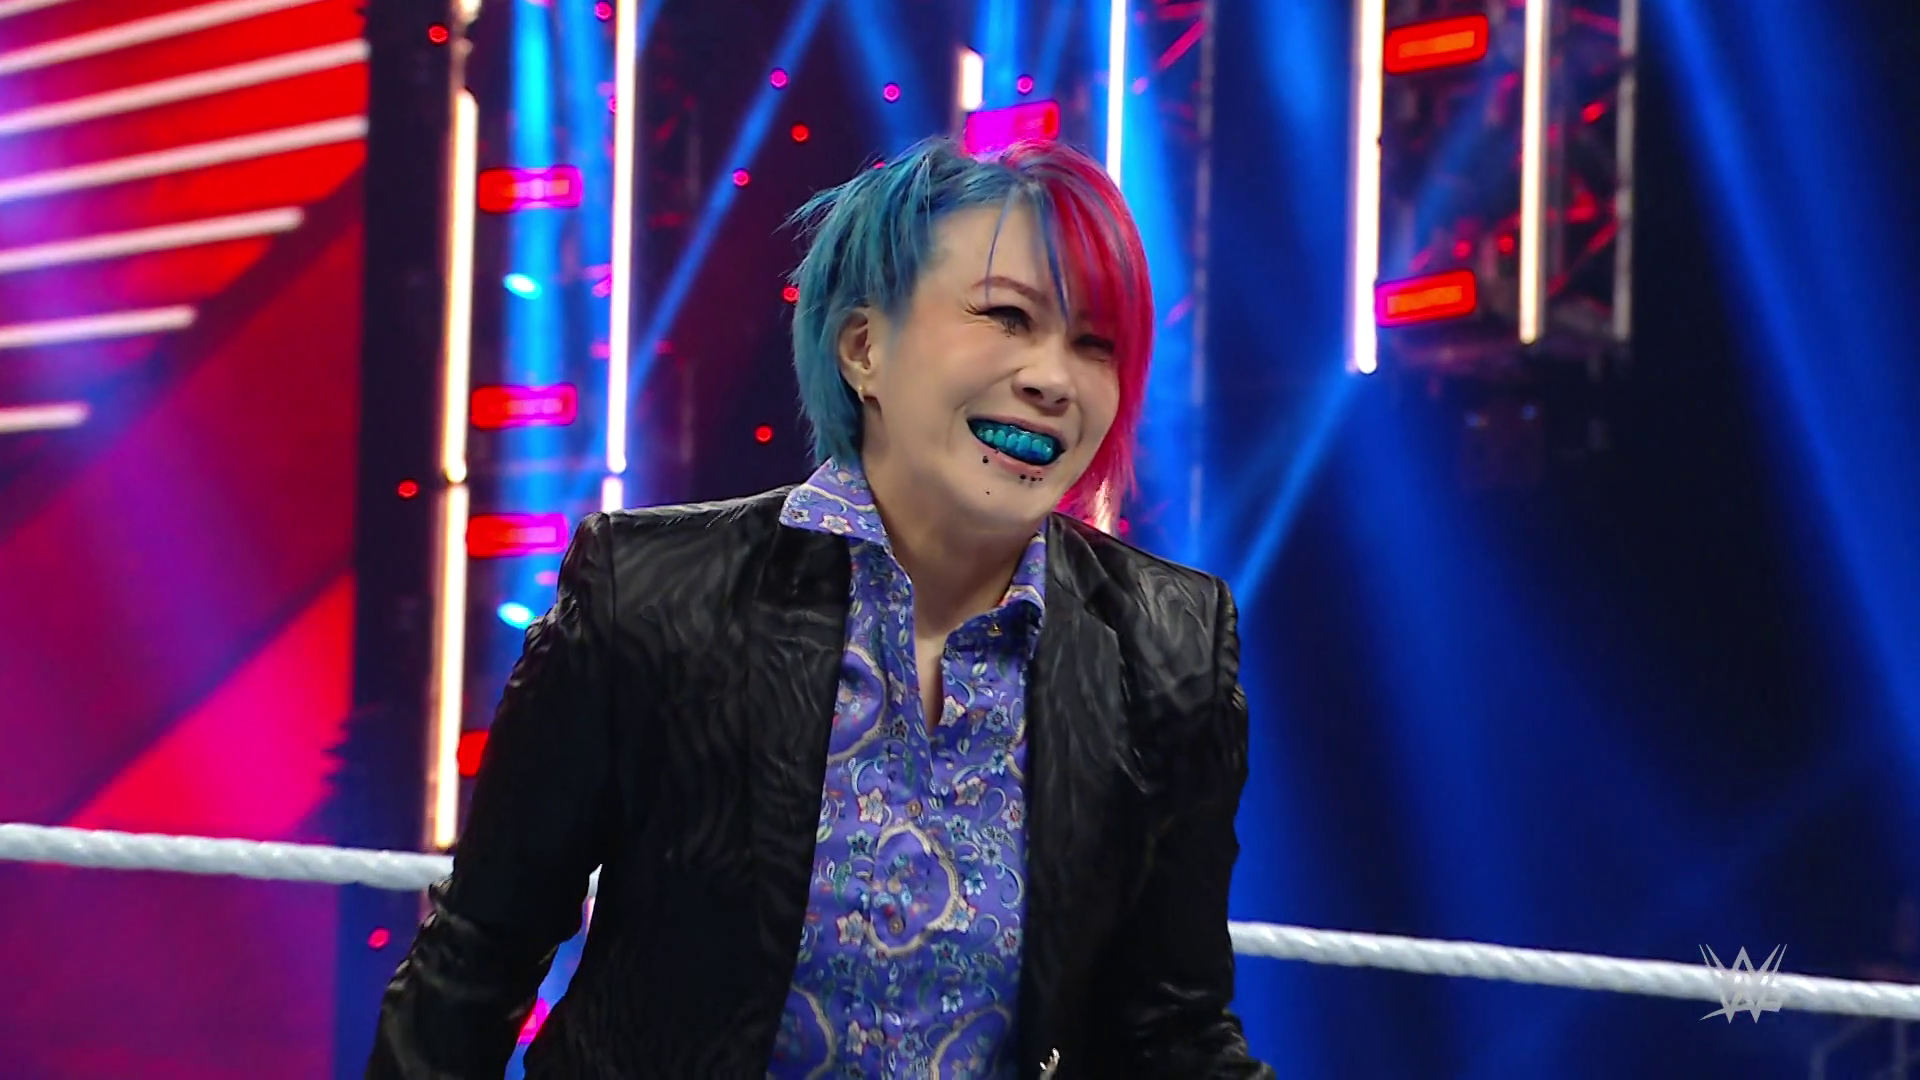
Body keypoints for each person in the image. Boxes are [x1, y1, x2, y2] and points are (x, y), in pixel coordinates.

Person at [368, 136, 1271, 1079]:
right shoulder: (649, 594)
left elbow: (1173, 1031)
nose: (1054, 378)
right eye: (1008, 317)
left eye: (1096, 344)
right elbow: (475, 961)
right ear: (864, 348)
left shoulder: (1167, 645)